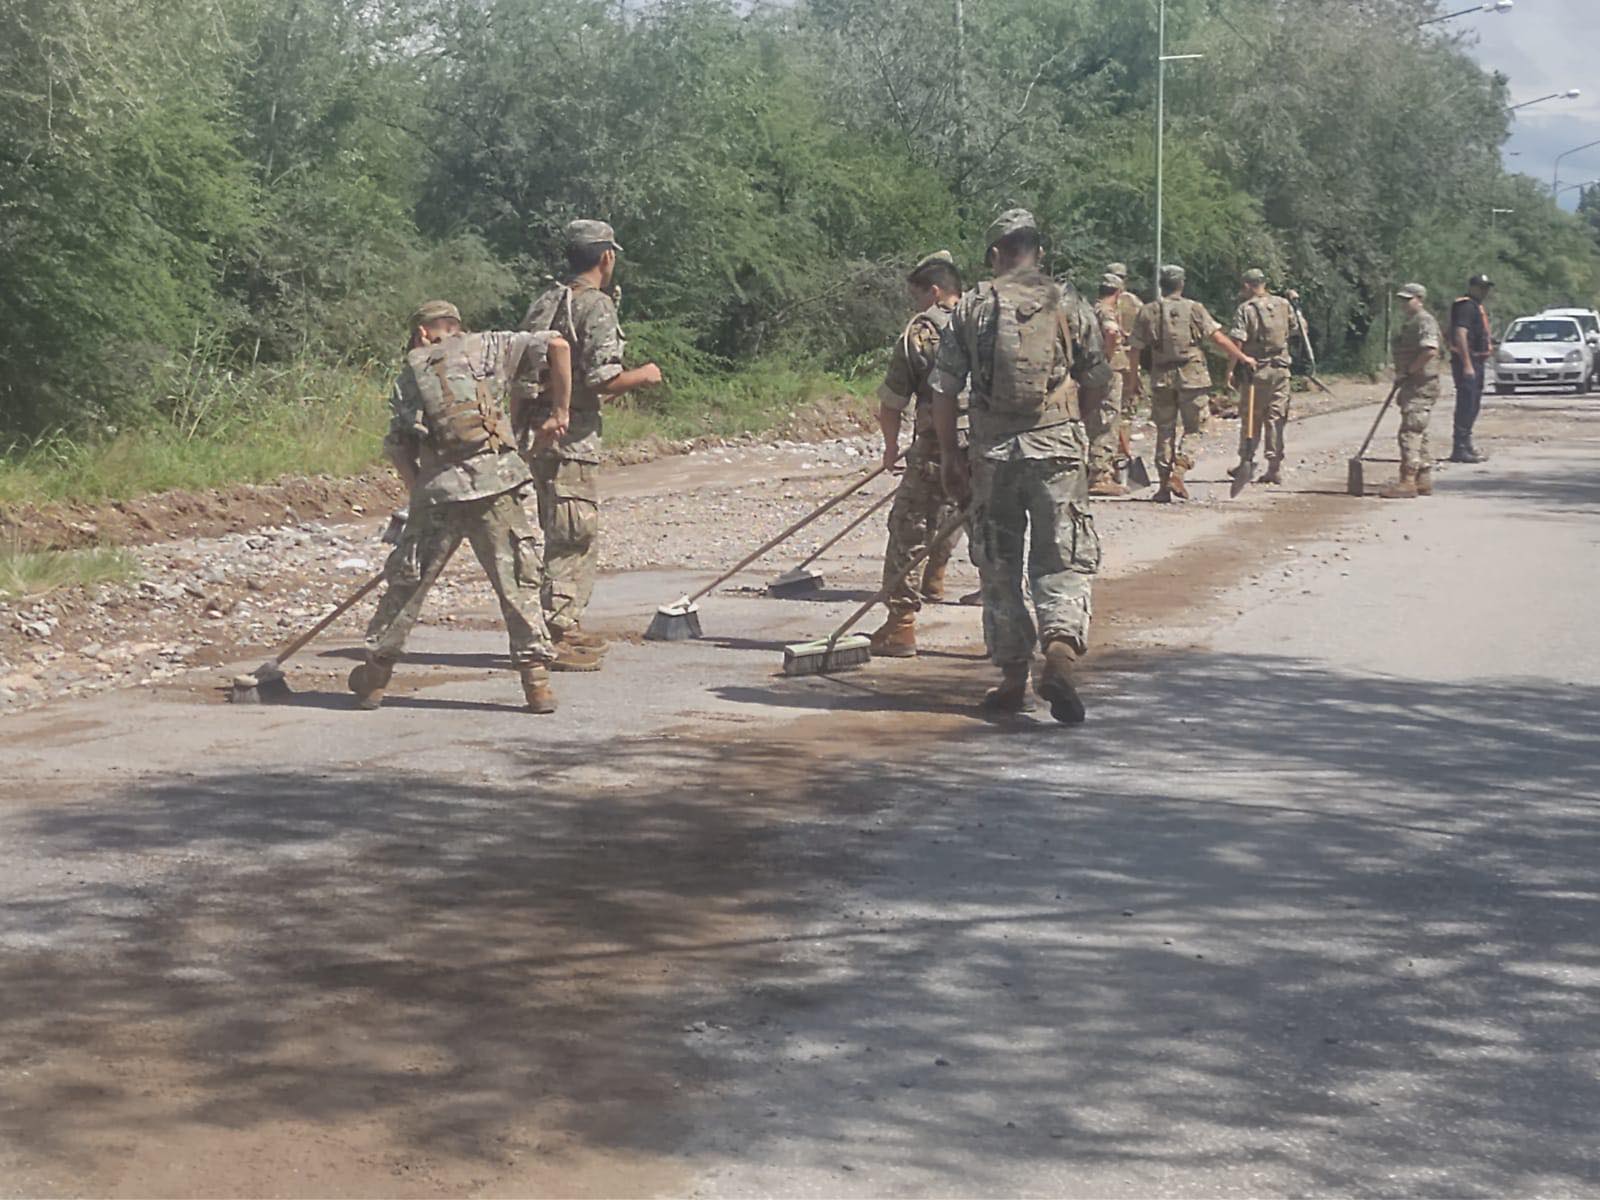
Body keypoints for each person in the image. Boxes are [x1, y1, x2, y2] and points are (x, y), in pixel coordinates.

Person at [929, 208, 1113, 724]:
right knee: (1062, 558)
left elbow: (943, 389)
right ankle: (1059, 652)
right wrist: (1079, 427)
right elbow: (1098, 378)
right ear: (1039, 252)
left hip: (993, 455)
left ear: (995, 255)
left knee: (998, 564)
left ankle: (1013, 678)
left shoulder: (972, 307)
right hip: (1057, 449)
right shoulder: (1069, 303)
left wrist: (950, 455)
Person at [354, 301, 572, 713]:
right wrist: (560, 413)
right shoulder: (490, 346)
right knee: (516, 582)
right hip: (497, 483)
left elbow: (399, 446)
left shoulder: (412, 369)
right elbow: (559, 345)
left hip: (440, 490)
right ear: (457, 326)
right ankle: (537, 683)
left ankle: (375, 679)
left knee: (408, 584)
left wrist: (419, 493)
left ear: (422, 332)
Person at [519, 219, 664, 670]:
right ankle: (557, 631)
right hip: (571, 438)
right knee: (572, 532)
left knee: (556, 526)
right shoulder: (595, 305)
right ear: (606, 257)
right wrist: (644, 376)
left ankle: (562, 623)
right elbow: (603, 378)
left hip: (536, 432)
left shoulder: (545, 301)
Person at [868, 252, 967, 658]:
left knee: (908, 526)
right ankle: (1007, 634)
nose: (916, 305)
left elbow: (893, 401)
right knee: (985, 527)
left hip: (934, 446)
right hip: (990, 445)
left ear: (935, 291)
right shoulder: (989, 321)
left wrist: (891, 448)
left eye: (917, 296)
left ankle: (901, 624)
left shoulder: (922, 331)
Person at [1128, 265, 1257, 502]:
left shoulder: (1148, 311)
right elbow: (1217, 338)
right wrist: (1242, 357)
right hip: (1192, 376)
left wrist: (1133, 379)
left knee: (1164, 430)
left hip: (1161, 377)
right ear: (1182, 284)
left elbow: (1134, 348)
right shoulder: (1194, 308)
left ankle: (1163, 486)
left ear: (1161, 285)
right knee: (1196, 427)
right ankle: (1179, 470)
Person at [1227, 268, 1303, 486]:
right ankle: (1274, 467)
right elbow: (1299, 329)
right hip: (1281, 369)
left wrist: (1231, 368)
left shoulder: (1246, 309)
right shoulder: (1283, 304)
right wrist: (1298, 307)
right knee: (1276, 417)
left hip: (1256, 371)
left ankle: (1246, 461)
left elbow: (1238, 341)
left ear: (1247, 286)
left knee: (1251, 417)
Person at [1380, 283, 1442, 500]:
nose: (1404, 304)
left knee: (1410, 432)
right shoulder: (1413, 321)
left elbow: (1430, 350)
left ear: (1420, 299)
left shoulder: (1425, 321)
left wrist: (1409, 370)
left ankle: (1407, 480)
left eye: (1408, 299)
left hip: (1421, 383)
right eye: (1402, 300)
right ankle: (1423, 478)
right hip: (1413, 382)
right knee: (1418, 430)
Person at [1088, 274, 1130, 497]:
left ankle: (1094, 469)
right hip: (1109, 371)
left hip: (1092, 370)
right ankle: (1100, 475)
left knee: (1095, 418)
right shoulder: (1106, 310)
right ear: (1118, 292)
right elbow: (1111, 331)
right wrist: (1108, 355)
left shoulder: (1090, 308)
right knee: (1107, 419)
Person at [1448, 273, 1494, 464]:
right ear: (1472, 287)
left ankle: (1466, 444)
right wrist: (1467, 364)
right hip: (1467, 361)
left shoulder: (1475, 306)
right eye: (1481, 287)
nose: (1484, 291)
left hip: (1477, 361)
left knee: (1473, 404)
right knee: (1466, 404)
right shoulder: (1466, 306)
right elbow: (1461, 334)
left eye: (1486, 287)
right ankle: (1459, 448)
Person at [1108, 262, 1144, 428]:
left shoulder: (1106, 301)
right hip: (1122, 351)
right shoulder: (1131, 300)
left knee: (1126, 389)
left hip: (1123, 350)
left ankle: (1126, 416)